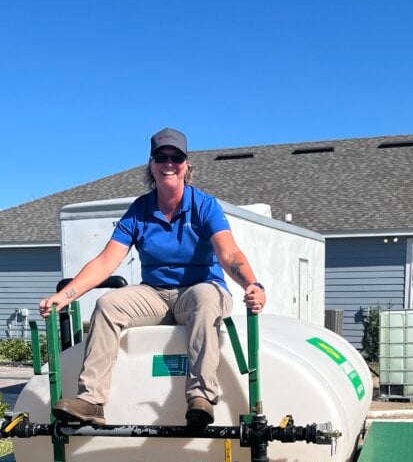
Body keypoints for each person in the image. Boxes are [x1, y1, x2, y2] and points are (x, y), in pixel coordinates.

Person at [38, 127, 266, 428]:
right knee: (109, 303)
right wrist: (64, 296)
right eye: (161, 157)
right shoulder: (140, 210)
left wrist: (252, 284)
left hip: (200, 290)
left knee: (206, 298)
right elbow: (106, 262)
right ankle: (91, 401)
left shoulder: (204, 205)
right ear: (151, 165)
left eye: (176, 157)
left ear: (186, 165)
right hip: (156, 294)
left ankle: (201, 397)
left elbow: (229, 254)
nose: (168, 163)